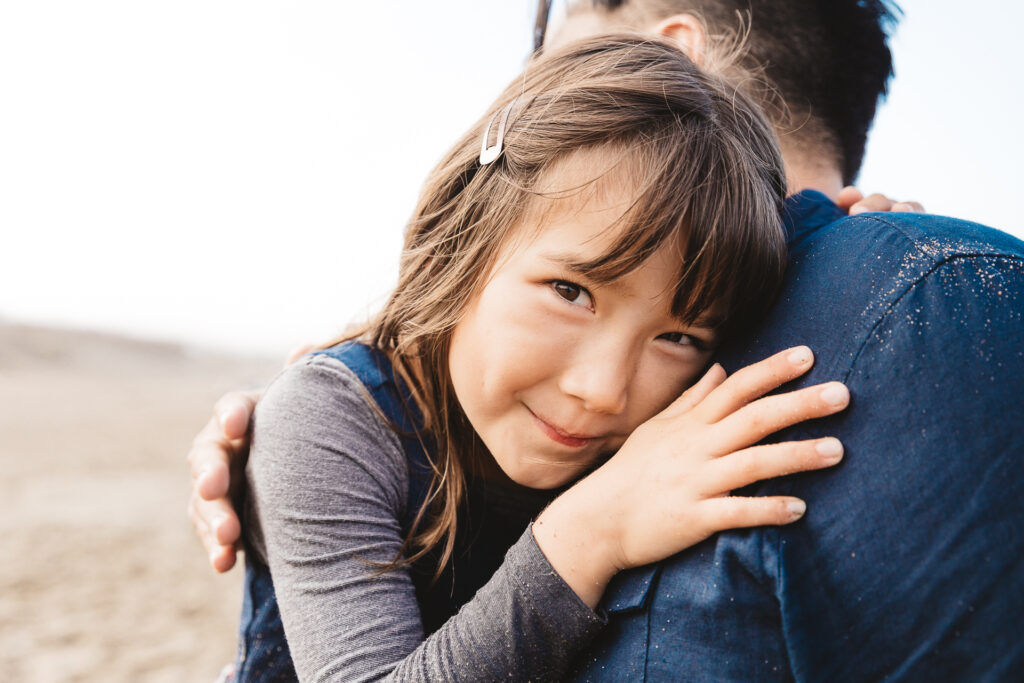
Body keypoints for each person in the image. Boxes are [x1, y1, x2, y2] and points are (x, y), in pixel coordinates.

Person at [190, 1, 1024, 680]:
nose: (602, 388)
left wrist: (838, 240)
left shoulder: (739, 291)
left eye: (682, 335)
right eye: (569, 291)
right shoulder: (336, 418)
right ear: (461, 238)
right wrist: (588, 533)